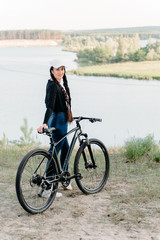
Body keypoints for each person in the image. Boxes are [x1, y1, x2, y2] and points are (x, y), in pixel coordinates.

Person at [37, 59, 73, 197]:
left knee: (65, 149)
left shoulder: (56, 84)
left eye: (62, 69)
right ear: (52, 70)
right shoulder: (53, 85)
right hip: (58, 121)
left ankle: (64, 180)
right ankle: (47, 187)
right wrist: (45, 122)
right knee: (54, 154)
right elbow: (50, 106)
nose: (61, 72)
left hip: (60, 120)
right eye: (57, 69)